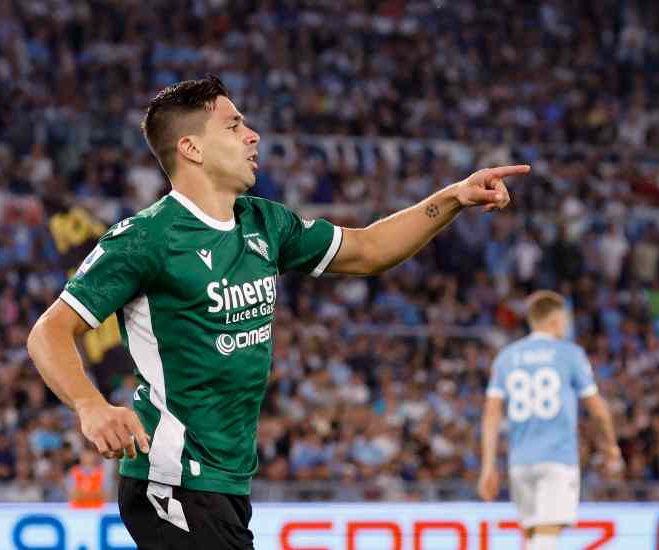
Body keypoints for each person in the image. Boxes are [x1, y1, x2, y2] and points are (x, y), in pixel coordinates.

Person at [27, 75, 529, 549]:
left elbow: (369, 249)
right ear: (192, 149)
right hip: (173, 481)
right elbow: (49, 331)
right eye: (234, 125)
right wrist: (90, 406)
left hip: (227, 482)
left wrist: (454, 197)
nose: (253, 135)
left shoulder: (265, 223)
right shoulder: (145, 239)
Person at [477, 290, 622, 550]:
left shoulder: (506, 357)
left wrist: (488, 465)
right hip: (557, 457)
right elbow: (597, 409)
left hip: (519, 461)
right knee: (547, 535)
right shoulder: (569, 354)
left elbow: (491, 415)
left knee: (535, 535)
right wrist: (610, 447)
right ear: (556, 320)